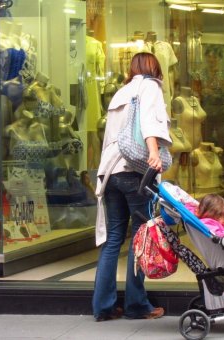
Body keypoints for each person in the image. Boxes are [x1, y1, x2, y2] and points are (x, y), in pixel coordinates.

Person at [93, 52, 171, 322]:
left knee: (113, 239)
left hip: (111, 173)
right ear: (154, 68)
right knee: (141, 238)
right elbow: (149, 122)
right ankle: (136, 305)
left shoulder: (122, 91)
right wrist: (154, 153)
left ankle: (103, 306)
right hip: (133, 171)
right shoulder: (149, 87)